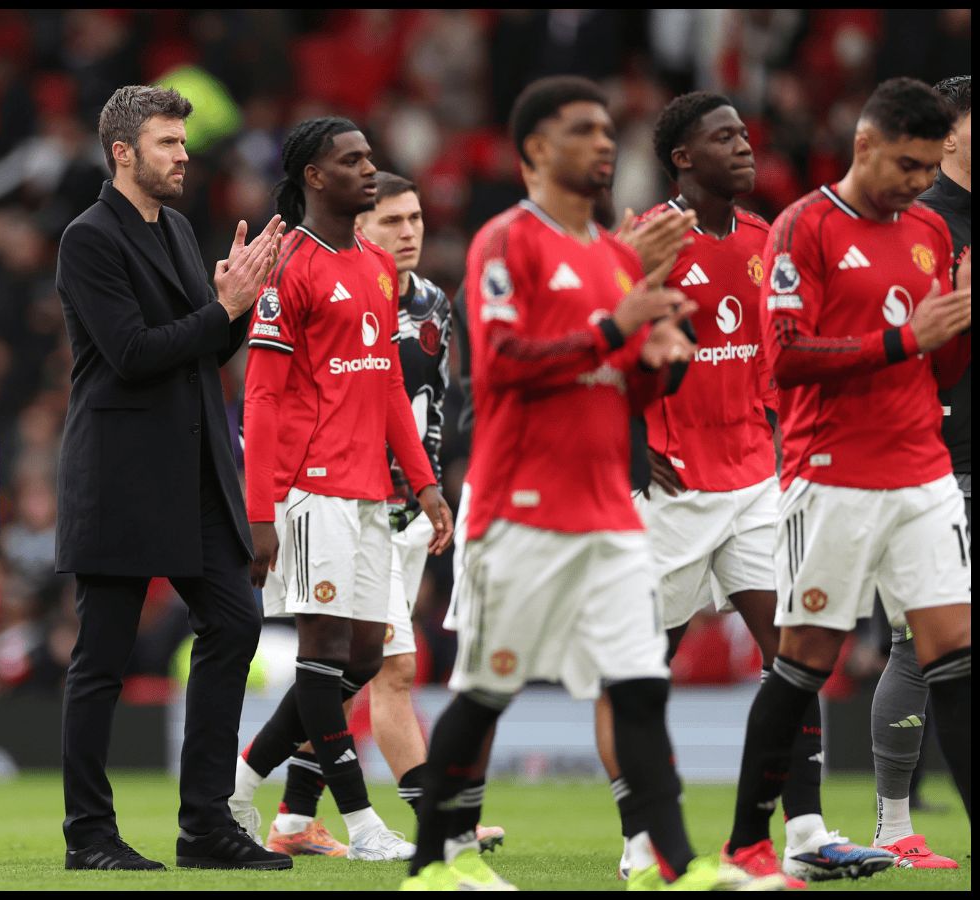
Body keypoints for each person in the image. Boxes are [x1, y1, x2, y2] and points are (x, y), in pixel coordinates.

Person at [404, 76, 765, 892]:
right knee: (488, 688)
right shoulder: (507, 241)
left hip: (608, 509)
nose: (604, 143)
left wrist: (657, 364)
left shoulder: (610, 254)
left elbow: (624, 388)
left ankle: (673, 866)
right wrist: (616, 327)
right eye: (581, 131)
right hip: (521, 507)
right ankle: (431, 864)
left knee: (638, 686)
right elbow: (499, 367)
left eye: (608, 130)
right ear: (535, 150)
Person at [725, 76, 971, 881]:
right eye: (905, 163)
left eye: (927, 165)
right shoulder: (804, 228)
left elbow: (939, 366)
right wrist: (901, 338)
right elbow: (786, 356)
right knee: (802, 662)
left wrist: (959, 320)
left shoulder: (931, 226)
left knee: (956, 658)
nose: (914, 181)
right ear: (863, 144)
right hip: (832, 477)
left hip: (923, 474)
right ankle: (746, 843)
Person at [55, 84, 288, 872]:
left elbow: (199, 350)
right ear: (122, 153)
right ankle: (88, 834)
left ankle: (204, 826)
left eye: (183, 144)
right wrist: (223, 307)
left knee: (233, 624)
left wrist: (241, 307)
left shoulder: (181, 230)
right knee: (103, 660)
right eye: (167, 144)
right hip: (121, 473)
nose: (184, 156)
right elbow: (131, 354)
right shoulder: (88, 238)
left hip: (194, 470)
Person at [592, 92, 817, 888]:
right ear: (682, 158)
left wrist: (778, 435)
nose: (745, 148)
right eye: (724, 138)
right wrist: (631, 445)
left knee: (795, 652)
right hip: (671, 491)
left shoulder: (765, 241)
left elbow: (770, 363)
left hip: (754, 481)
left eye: (746, 135)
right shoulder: (648, 242)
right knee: (639, 673)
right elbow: (598, 350)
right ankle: (637, 835)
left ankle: (806, 832)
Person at [229, 118, 454, 863]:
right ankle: (360, 824)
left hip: (368, 493)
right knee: (325, 652)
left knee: (361, 657)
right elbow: (259, 399)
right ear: (313, 178)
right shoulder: (287, 267)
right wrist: (260, 510)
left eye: (368, 155)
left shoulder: (373, 266)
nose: (369, 168)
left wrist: (423, 485)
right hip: (308, 487)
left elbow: (388, 383)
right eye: (350, 160)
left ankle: (238, 780)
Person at [269, 172, 493, 857]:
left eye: (416, 219)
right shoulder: (338, 294)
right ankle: (435, 818)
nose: (408, 232)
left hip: (410, 510)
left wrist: (430, 487)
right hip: (350, 502)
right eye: (392, 221)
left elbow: (425, 405)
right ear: (358, 230)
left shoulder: (432, 303)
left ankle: (292, 816)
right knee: (388, 665)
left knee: (352, 671)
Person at [868, 74, 970, 870]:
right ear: (949, 134)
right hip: (933, 461)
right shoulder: (918, 223)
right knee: (920, 646)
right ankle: (892, 825)